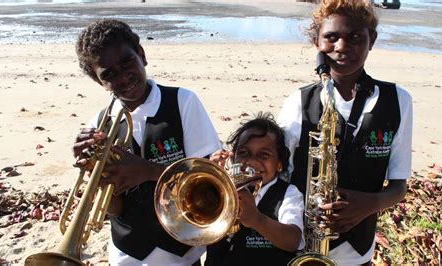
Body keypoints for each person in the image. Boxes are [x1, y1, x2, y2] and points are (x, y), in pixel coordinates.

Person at [72, 19, 221, 265]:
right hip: (126, 253)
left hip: (181, 250)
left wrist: (147, 171)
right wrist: (93, 176)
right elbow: (115, 208)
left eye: (127, 61)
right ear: (99, 82)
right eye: (108, 74)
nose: (122, 77)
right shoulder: (98, 125)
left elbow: (211, 183)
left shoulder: (182, 102)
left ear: (141, 54)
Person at [277, 0, 412, 265]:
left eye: (354, 38)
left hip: (357, 251)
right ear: (317, 41)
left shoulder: (398, 101)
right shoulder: (298, 102)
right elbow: (279, 175)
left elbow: (399, 187)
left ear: (371, 40)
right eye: (331, 37)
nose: (342, 47)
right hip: (301, 245)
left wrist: (370, 204)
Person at [204, 112, 305, 266]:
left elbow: (293, 240)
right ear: (233, 158)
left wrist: (257, 219)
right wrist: (211, 182)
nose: (251, 161)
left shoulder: (288, 194)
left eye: (264, 155)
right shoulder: (222, 190)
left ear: (280, 164)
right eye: (243, 153)